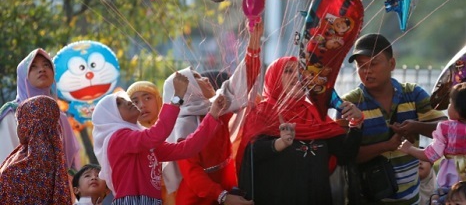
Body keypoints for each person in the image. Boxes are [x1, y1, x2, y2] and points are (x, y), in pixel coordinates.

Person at [237, 56, 364, 205]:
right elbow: (250, 155)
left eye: (301, 72)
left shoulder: (316, 114)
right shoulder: (262, 113)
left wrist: (356, 122)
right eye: (288, 71)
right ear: (274, 78)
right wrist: (279, 143)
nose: (296, 76)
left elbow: (345, 155)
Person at [164, 21, 263, 205]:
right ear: (188, 90)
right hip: (198, 198)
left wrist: (254, 44)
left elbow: (241, 82)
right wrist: (223, 197)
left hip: (225, 189)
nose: (206, 78)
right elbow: (193, 174)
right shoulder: (184, 126)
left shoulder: (217, 105)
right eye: (197, 78)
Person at [92, 72, 227, 205]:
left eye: (125, 100)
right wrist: (177, 97)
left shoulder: (142, 140)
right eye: (119, 104)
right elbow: (156, 134)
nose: (128, 103)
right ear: (110, 117)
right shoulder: (118, 138)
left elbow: (186, 149)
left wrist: (213, 114)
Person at [343, 33, 446, 205]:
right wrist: (387, 145)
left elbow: (447, 129)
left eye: (373, 64)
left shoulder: (413, 94)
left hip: (411, 199)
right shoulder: (350, 104)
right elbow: (345, 156)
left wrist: (416, 127)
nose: (367, 71)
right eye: (361, 65)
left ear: (391, 64)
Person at [0, 48, 80, 169]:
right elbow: (5, 160)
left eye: (46, 65)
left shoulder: (60, 118)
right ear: (24, 76)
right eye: (33, 67)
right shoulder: (12, 114)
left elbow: (72, 163)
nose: (42, 69)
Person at [0, 95, 72, 204]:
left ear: (30, 125)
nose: (18, 128)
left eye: (20, 122)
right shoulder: (58, 163)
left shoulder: (15, 170)